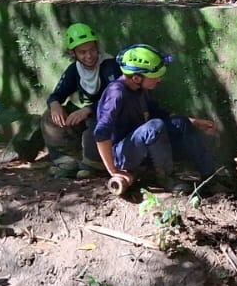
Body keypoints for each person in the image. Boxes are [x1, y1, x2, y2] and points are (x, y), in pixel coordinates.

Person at [93, 44, 218, 193]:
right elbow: (100, 134)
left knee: (181, 123)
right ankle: (166, 177)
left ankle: (210, 176)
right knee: (155, 127)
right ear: (137, 78)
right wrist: (113, 171)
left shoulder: (141, 89)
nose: (159, 80)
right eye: (155, 77)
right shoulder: (116, 94)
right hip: (120, 155)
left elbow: (158, 113)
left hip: (140, 142)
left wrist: (193, 122)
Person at [43, 22, 121, 178]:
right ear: (74, 54)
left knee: (96, 128)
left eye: (92, 49)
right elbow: (58, 93)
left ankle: (93, 165)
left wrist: (89, 110)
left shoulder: (110, 66)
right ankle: (67, 162)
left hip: (106, 114)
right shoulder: (74, 70)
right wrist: (54, 104)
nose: (89, 56)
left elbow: (117, 98)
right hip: (84, 115)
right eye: (82, 52)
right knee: (49, 118)